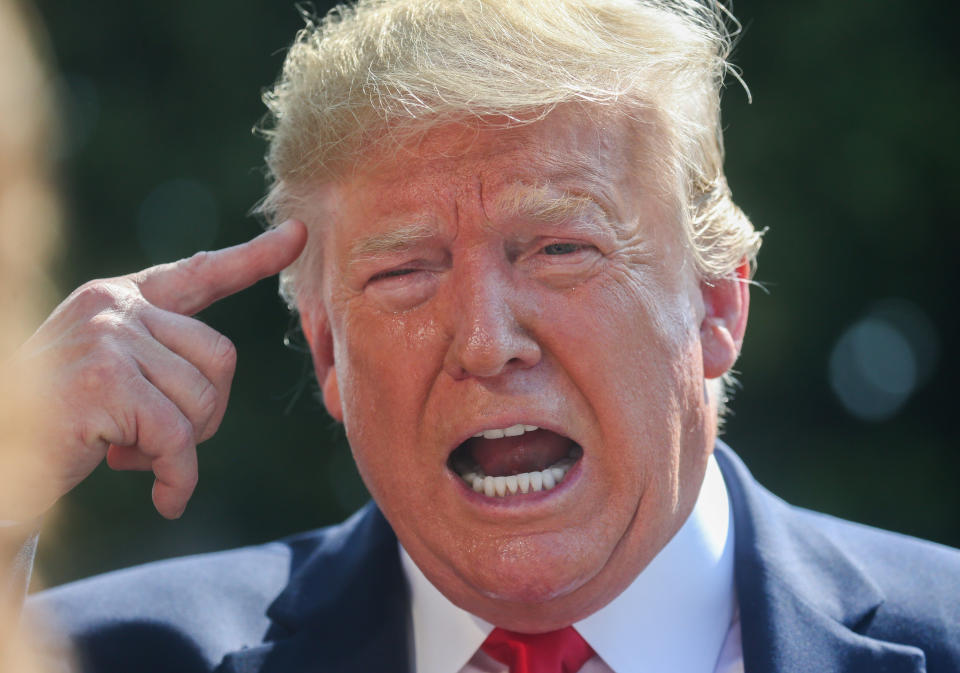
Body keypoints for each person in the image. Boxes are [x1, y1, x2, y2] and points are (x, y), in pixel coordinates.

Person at [12, 0, 959, 672]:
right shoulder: (88, 655)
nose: (486, 340)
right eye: (405, 271)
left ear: (717, 305)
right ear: (329, 352)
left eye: (558, 247)